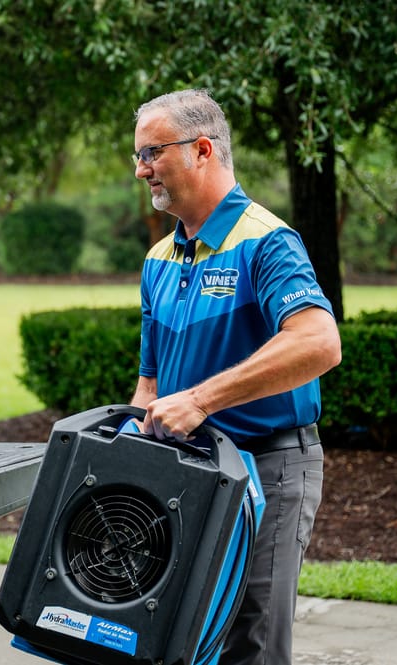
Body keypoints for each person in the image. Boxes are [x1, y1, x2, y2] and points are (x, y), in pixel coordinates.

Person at [128, 89, 342, 665]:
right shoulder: (158, 259)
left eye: (152, 152)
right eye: (137, 156)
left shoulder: (266, 241)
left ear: (202, 149)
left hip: (267, 469)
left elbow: (319, 342)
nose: (142, 169)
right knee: (174, 633)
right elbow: (149, 386)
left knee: (250, 641)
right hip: (185, 470)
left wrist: (199, 399)